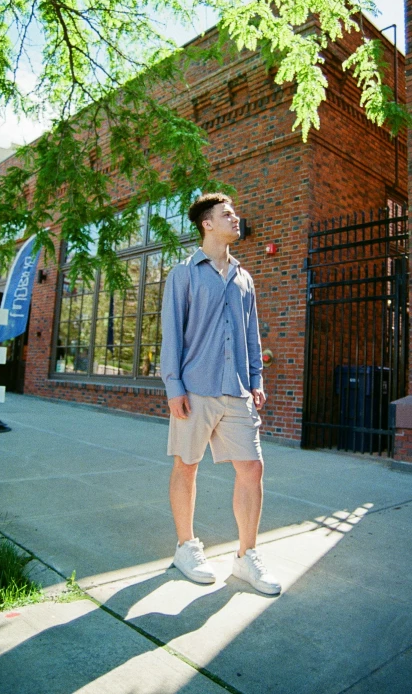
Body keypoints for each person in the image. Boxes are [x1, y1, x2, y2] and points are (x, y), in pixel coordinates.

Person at [160, 192, 281, 596]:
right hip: (195, 388)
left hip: (238, 390)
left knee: (252, 469)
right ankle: (185, 546)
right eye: (227, 214)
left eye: (235, 213)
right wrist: (173, 385)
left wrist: (256, 379)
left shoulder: (244, 277)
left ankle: (246, 558)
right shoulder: (184, 273)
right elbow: (172, 333)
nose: (236, 218)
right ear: (207, 224)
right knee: (187, 465)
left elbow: (251, 333)